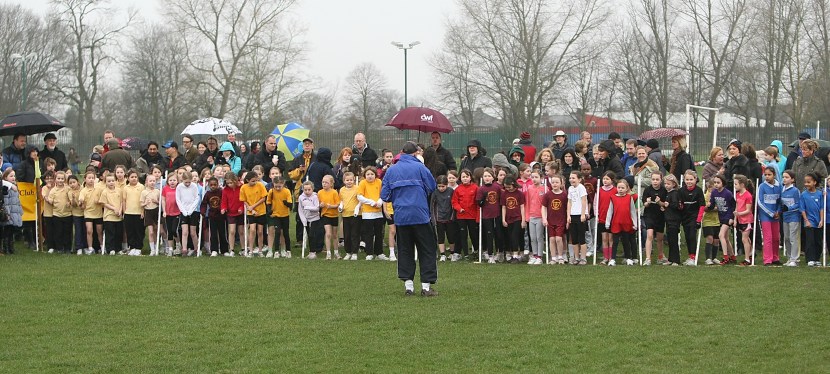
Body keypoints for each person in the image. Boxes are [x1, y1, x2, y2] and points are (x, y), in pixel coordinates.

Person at [380, 141, 438, 295]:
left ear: (401, 152)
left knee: (405, 250)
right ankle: (426, 287)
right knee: (426, 250)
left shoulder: (391, 170)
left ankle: (408, 287)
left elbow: (384, 195)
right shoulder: (420, 167)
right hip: (420, 215)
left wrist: (397, 198)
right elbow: (432, 186)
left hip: (401, 216)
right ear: (416, 153)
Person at [605, 179, 638, 265]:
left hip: (627, 223)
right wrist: (607, 222)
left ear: (627, 188)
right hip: (616, 223)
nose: (620, 189)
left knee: (626, 241)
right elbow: (610, 211)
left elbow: (632, 211)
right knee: (615, 242)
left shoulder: (629, 197)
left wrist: (635, 223)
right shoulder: (613, 197)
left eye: (622, 188)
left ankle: (628, 258)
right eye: (619, 187)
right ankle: (613, 259)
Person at [357, 167, 385, 260]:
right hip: (367, 213)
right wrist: (371, 202)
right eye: (368, 174)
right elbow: (360, 196)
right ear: (365, 175)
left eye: (372, 174)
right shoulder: (362, 183)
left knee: (379, 233)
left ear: (375, 175)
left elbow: (383, 194)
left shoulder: (379, 182)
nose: (370, 176)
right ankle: (369, 253)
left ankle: (379, 253)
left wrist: (380, 202)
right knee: (368, 234)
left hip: (378, 212)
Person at [452, 169, 479, 261]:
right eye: (463, 177)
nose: (465, 178)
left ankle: (476, 251)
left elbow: (478, 202)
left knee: (474, 234)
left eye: (467, 176)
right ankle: (465, 253)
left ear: (470, 177)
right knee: (463, 235)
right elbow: (454, 202)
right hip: (461, 216)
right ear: (460, 178)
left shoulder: (475, 188)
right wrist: (459, 209)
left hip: (472, 216)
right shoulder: (458, 189)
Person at [757, 167, 782, 266]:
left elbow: (780, 201)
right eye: (765, 175)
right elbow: (760, 202)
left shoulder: (778, 186)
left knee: (776, 238)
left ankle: (775, 257)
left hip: (776, 216)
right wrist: (771, 213)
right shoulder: (762, 186)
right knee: (768, 237)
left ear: (774, 175)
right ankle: (767, 259)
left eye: (769, 175)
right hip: (765, 216)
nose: (767, 177)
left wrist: (778, 212)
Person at [642, 173, 667, 265]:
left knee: (660, 238)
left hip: (660, 215)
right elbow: (644, 203)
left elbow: (665, 204)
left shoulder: (664, 190)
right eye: (653, 179)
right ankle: (648, 258)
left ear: (661, 180)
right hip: (649, 215)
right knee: (650, 235)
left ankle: (660, 256)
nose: (655, 181)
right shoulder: (647, 190)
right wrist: (647, 202)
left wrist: (660, 203)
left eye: (657, 179)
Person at [240, 172, 267, 257]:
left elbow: (263, 198)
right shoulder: (244, 187)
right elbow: (244, 200)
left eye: (256, 180)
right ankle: (251, 250)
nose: (254, 182)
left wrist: (253, 206)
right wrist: (250, 208)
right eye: (252, 181)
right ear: (247, 180)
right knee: (252, 230)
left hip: (261, 211)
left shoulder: (260, 185)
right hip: (251, 212)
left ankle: (260, 250)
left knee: (260, 231)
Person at [98, 174, 124, 255]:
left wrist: (120, 211)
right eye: (109, 181)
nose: (111, 183)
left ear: (115, 181)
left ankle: (118, 248)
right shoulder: (105, 192)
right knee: (110, 234)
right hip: (109, 216)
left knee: (119, 233)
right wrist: (113, 209)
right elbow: (104, 203)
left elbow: (122, 202)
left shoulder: (119, 190)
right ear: (105, 182)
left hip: (118, 216)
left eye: (112, 181)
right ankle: (111, 249)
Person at [566, 170, 589, 265]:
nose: (571, 180)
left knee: (581, 238)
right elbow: (569, 202)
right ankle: (576, 257)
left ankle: (583, 258)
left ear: (579, 179)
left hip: (580, 215)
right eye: (570, 178)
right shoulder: (570, 189)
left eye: (573, 178)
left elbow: (584, 201)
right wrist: (568, 215)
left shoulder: (581, 187)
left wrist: (583, 214)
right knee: (574, 238)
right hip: (573, 215)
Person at [297, 180, 323, 259]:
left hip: (315, 218)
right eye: (305, 190)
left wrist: (308, 207)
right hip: (306, 219)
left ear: (312, 189)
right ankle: (311, 251)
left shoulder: (315, 197)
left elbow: (316, 208)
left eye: (309, 190)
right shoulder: (301, 197)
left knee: (312, 234)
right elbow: (300, 210)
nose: (307, 192)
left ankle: (313, 252)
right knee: (309, 235)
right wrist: (303, 220)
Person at [780, 170, 801, 266]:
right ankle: (789, 258)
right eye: (783, 177)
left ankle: (795, 259)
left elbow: (798, 204)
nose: (784, 179)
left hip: (794, 217)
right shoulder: (782, 189)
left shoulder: (795, 191)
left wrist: (789, 208)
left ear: (792, 179)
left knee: (793, 238)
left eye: (787, 177)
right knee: (787, 238)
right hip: (785, 217)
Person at [596, 171, 616, 265]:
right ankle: (605, 257)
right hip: (602, 217)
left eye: (607, 179)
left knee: (610, 239)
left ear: (612, 180)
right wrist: (597, 214)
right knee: (604, 238)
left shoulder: (615, 190)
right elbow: (596, 203)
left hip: (612, 218)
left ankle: (611, 257)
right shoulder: (599, 190)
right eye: (604, 179)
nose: (605, 180)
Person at [122, 170, 145, 255]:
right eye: (132, 177)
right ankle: (132, 247)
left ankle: (138, 247)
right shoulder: (126, 188)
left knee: (139, 231)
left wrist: (143, 211)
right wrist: (124, 212)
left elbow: (143, 200)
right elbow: (124, 200)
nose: (134, 179)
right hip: (129, 213)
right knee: (130, 231)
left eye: (135, 177)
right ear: (128, 178)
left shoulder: (141, 187)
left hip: (139, 212)